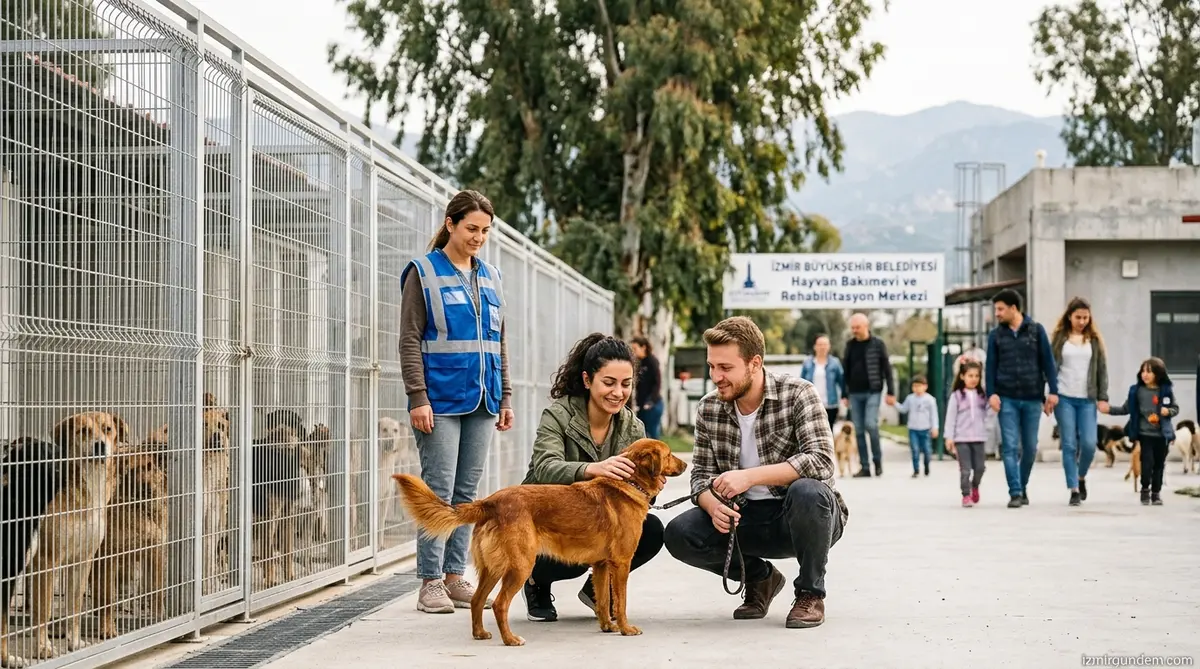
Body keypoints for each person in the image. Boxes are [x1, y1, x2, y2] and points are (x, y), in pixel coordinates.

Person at [664, 316, 847, 630]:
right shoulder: (709, 408)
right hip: (743, 518)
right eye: (712, 366)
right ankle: (760, 578)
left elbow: (821, 461)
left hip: (801, 518)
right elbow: (700, 476)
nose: (716, 377)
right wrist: (712, 505)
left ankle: (810, 593)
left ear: (755, 363)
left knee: (808, 490)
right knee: (679, 534)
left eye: (725, 367)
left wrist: (749, 476)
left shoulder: (799, 394)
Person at [400, 189, 515, 613]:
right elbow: (409, 339)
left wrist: (505, 395)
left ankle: (454, 576)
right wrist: (418, 396)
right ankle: (429, 581)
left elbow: (499, 342)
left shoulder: (492, 277)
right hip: (440, 400)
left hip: (483, 400)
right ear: (450, 224)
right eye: (471, 228)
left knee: (467, 494)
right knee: (438, 491)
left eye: (484, 231)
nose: (478, 238)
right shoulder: (424, 272)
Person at [519, 333, 663, 622]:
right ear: (587, 380)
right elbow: (545, 467)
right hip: (545, 519)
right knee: (575, 544)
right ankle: (535, 582)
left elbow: (635, 495)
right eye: (609, 383)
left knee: (650, 530)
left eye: (626, 384)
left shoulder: (633, 426)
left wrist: (651, 487)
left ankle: (598, 590)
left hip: (596, 522)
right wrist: (592, 468)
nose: (618, 392)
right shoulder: (558, 415)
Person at [985, 289, 1057, 509]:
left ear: (1013, 308)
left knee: (1030, 447)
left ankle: (1022, 485)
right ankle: (1015, 492)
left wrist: (1053, 391)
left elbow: (1048, 362)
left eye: (1000, 309)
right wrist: (991, 393)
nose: (997, 313)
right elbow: (990, 367)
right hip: (1006, 398)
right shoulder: (996, 336)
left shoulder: (1036, 331)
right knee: (1009, 447)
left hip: (1032, 398)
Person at [1049, 297, 1109, 507]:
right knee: (1069, 444)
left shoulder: (1094, 340)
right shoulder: (1059, 338)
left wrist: (1103, 397)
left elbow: (1101, 370)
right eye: (1078, 317)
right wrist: (1049, 393)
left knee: (1090, 444)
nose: (1082, 321)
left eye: (1085, 317)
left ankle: (1081, 476)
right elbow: (1050, 367)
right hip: (1064, 397)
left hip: (1087, 399)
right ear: (1069, 317)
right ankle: (1073, 489)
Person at [1102, 357, 1178, 506]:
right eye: (1143, 371)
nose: (1145, 374)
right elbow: (1125, 409)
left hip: (1162, 435)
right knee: (1147, 462)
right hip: (1144, 434)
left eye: (1149, 371)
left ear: (1158, 373)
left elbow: (1175, 408)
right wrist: (1109, 409)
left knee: (1159, 465)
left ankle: (1156, 493)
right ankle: (1145, 489)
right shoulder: (1137, 391)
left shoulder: (1165, 391)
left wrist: (1168, 411)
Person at [840, 313, 895, 477]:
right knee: (858, 430)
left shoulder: (878, 344)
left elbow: (887, 369)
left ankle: (877, 461)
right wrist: (844, 394)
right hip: (855, 393)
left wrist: (891, 391)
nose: (854, 330)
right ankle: (864, 466)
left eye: (857, 327)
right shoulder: (850, 345)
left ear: (866, 326)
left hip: (873, 391)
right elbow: (845, 371)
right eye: (852, 328)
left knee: (871, 424)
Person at [944, 361, 989, 507]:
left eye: (977, 376)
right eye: (970, 375)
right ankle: (966, 495)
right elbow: (951, 417)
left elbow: (990, 412)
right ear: (962, 376)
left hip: (979, 437)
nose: (974, 379)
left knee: (980, 468)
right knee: (965, 470)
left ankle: (974, 486)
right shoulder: (957, 396)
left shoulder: (982, 395)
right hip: (961, 438)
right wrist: (949, 437)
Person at [895, 375, 939, 478]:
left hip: (925, 429)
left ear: (925, 386)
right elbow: (903, 409)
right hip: (913, 429)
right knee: (914, 449)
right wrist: (894, 404)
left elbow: (934, 415)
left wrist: (935, 427)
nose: (917, 388)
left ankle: (926, 465)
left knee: (927, 450)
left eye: (919, 386)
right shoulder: (910, 398)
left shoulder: (930, 400)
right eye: (915, 386)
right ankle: (916, 469)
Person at [799, 334, 845, 430]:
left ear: (829, 346)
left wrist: (845, 396)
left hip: (830, 404)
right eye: (820, 344)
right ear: (815, 346)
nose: (822, 347)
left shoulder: (835, 363)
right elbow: (801, 383)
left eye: (825, 344)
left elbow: (842, 381)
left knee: (828, 430)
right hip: (811, 403)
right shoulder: (807, 362)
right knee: (812, 430)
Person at [630, 336, 664, 439]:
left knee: (652, 436)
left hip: (652, 405)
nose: (633, 352)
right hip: (642, 405)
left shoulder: (652, 361)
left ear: (643, 347)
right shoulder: (639, 363)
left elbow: (657, 383)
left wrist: (650, 401)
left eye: (635, 348)